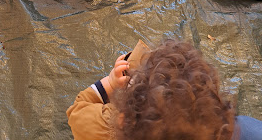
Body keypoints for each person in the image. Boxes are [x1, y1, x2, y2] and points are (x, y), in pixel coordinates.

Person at [66, 39, 262, 140]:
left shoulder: (103, 129)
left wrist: (109, 82)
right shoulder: (236, 131)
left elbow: (77, 110)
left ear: (123, 120)